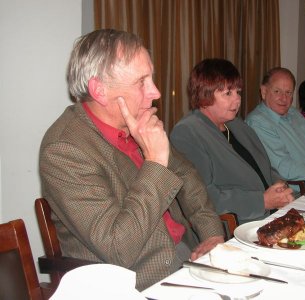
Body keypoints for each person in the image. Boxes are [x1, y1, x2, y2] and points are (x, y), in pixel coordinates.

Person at [39, 29, 224, 291]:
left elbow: (186, 175)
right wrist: (156, 163)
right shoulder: (65, 150)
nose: (156, 92)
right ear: (100, 90)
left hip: (188, 257)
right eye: (142, 82)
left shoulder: (135, 122)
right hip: (139, 282)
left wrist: (212, 233)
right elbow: (118, 246)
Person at [170, 59, 293, 225]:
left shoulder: (237, 124)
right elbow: (201, 197)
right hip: (237, 225)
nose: (237, 100)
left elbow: (264, 167)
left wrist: (279, 184)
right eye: (228, 93)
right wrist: (262, 201)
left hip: (273, 215)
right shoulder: (187, 132)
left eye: (238, 92)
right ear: (204, 94)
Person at [245, 67, 305, 191]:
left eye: (288, 93)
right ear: (263, 91)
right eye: (277, 91)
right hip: (301, 193)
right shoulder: (258, 122)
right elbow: (285, 167)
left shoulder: (295, 114)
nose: (284, 98)